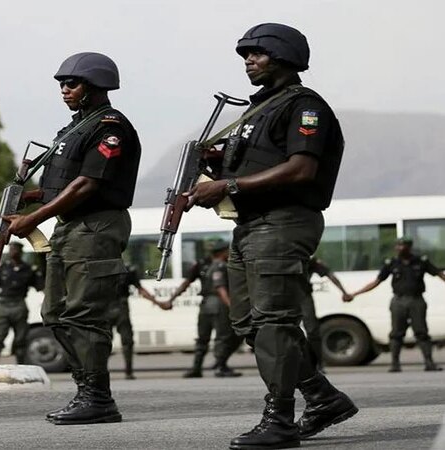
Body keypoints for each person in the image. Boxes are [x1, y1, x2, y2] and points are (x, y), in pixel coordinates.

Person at [186, 23, 358, 449]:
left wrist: (225, 186)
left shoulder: (304, 106)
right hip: (250, 226)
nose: (248, 61)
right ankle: (321, 396)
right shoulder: (256, 112)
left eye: (257, 54)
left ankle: (279, 418)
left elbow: (301, 169)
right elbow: (246, 172)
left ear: (283, 57)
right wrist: (215, 167)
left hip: (283, 222)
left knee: (274, 321)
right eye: (245, 55)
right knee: (248, 322)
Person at [5, 52, 141, 425]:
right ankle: (87, 390)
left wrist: (34, 217)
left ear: (95, 87)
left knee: (85, 315)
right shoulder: (73, 129)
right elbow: (63, 185)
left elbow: (87, 184)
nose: (64, 89)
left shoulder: (109, 127)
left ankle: (97, 397)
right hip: (69, 227)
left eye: (72, 83)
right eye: (62, 83)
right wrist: (31, 198)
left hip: (96, 227)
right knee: (54, 313)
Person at [348, 237, 445, 372]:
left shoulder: (421, 261)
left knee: (421, 332)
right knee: (396, 333)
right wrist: (355, 294)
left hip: (416, 301)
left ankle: (429, 363)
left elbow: (439, 273)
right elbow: (377, 282)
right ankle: (395, 364)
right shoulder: (392, 263)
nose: (399, 248)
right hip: (398, 301)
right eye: (398, 245)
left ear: (409, 247)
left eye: (403, 245)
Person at [164, 240, 243, 378]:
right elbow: (220, 288)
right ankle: (220, 366)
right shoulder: (221, 265)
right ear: (223, 252)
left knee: (202, 338)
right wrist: (231, 306)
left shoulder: (203, 265)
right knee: (223, 336)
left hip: (205, 305)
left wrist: (171, 300)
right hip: (219, 304)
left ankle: (197, 368)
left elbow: (186, 283)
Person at [0, 242, 42, 365]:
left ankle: (21, 366)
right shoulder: (3, 268)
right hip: (4, 305)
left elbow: (40, 286)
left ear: (20, 252)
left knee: (20, 340)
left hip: (19, 305)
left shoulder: (28, 269)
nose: (13, 252)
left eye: (15, 249)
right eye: (11, 249)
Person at [108, 265, 159, 380]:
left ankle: (100, 374)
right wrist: (157, 302)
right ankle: (128, 372)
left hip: (109, 307)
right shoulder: (127, 269)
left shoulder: (103, 266)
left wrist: (156, 301)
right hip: (118, 307)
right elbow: (140, 289)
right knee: (125, 341)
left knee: (108, 342)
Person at [304, 256, 352, 371]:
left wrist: (344, 292)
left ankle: (318, 364)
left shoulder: (307, 258)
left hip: (302, 296)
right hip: (283, 295)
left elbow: (329, 274)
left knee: (312, 331)